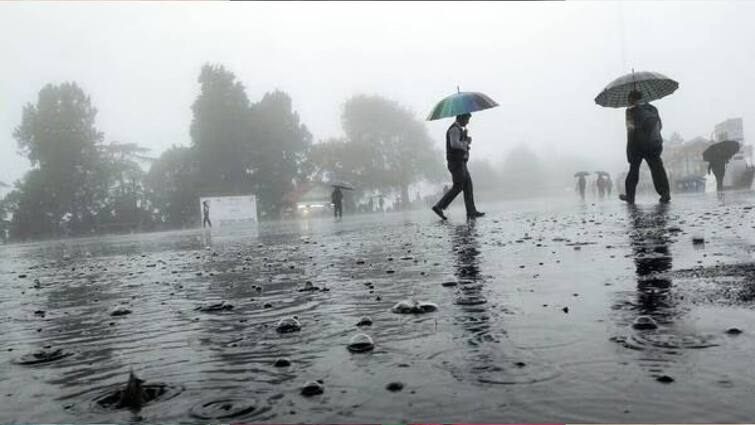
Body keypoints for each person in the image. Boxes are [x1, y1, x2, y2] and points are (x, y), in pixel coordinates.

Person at [619, 90, 670, 204]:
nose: (628, 102)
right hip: (653, 145)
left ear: (632, 99)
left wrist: (630, 150)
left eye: (629, 99)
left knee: (633, 171)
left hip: (637, 146)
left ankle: (630, 196)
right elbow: (659, 126)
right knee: (657, 170)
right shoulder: (652, 109)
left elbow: (630, 130)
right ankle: (665, 193)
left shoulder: (630, 111)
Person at [432, 113, 485, 220]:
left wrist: (465, 139)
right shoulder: (454, 129)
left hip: (461, 162)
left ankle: (471, 211)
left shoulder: (459, 129)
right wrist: (465, 143)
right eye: (467, 119)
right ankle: (439, 206)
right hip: (456, 162)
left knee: (468, 186)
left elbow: (459, 144)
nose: (468, 122)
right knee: (458, 186)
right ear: (461, 118)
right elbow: (454, 144)